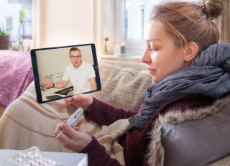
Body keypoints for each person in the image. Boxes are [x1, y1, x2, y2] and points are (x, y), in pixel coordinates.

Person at [55, 0, 229, 165]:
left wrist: (89, 150)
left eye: (154, 48)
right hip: (113, 142)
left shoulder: (181, 117)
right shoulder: (175, 88)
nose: (144, 58)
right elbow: (139, 124)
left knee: (43, 102)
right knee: (45, 98)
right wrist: (94, 106)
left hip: (107, 156)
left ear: (189, 51)